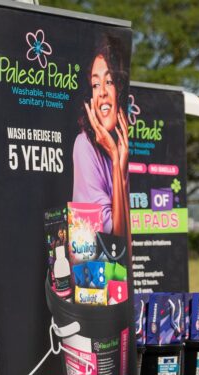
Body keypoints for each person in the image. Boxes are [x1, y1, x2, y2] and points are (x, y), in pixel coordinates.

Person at [72, 35, 130, 239]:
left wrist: (119, 163)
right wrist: (115, 160)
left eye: (109, 81)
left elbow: (126, 246)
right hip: (94, 259)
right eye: (95, 85)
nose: (102, 92)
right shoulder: (83, 146)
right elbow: (114, 238)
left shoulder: (122, 150)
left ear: (120, 89)